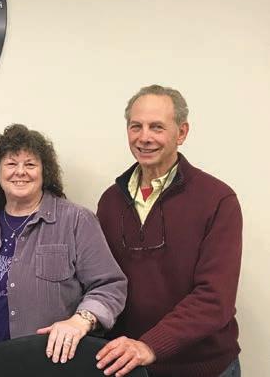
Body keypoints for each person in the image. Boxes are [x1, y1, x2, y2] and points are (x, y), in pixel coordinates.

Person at [0, 124, 127, 377]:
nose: (20, 172)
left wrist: (81, 320)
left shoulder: (76, 221)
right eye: (11, 164)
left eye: (30, 164)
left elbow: (110, 286)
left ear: (44, 172)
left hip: (51, 366)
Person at [96, 85, 242, 377]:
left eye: (157, 127)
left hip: (202, 368)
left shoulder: (217, 199)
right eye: (136, 126)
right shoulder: (110, 201)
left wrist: (151, 345)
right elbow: (102, 282)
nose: (144, 137)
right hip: (130, 366)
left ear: (182, 133)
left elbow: (215, 298)